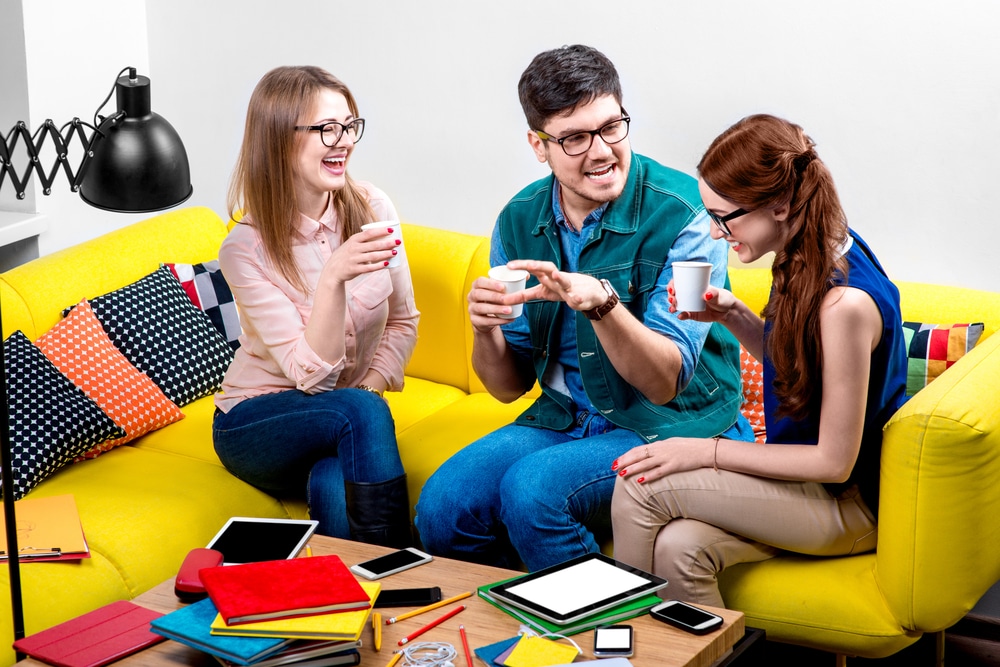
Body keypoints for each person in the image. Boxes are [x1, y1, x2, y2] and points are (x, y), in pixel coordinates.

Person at [414, 45, 751, 571]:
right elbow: (507, 387)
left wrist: (603, 306)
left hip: (666, 422)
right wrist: (485, 329)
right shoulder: (518, 220)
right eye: (574, 138)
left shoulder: (690, 218)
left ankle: (611, 644)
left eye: (612, 126)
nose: (601, 152)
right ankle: (526, 628)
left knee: (533, 492)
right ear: (538, 145)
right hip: (563, 417)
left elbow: (666, 381)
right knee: (443, 507)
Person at [610, 114, 908, 607]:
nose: (714, 230)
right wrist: (733, 314)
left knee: (640, 486)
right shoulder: (808, 247)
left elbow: (833, 462)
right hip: (807, 490)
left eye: (724, 217)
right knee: (678, 548)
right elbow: (804, 371)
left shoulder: (845, 305)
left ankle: (618, 649)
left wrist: (705, 451)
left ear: (781, 205)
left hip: (848, 506)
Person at [212, 66, 419, 547]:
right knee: (359, 413)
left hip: (342, 416)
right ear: (279, 140)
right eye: (327, 129)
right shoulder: (244, 249)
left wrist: (367, 389)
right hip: (255, 422)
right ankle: (399, 574)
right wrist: (333, 278)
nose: (343, 141)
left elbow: (405, 319)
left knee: (333, 479)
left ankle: (349, 605)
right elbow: (312, 378)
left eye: (349, 126)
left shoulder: (373, 208)